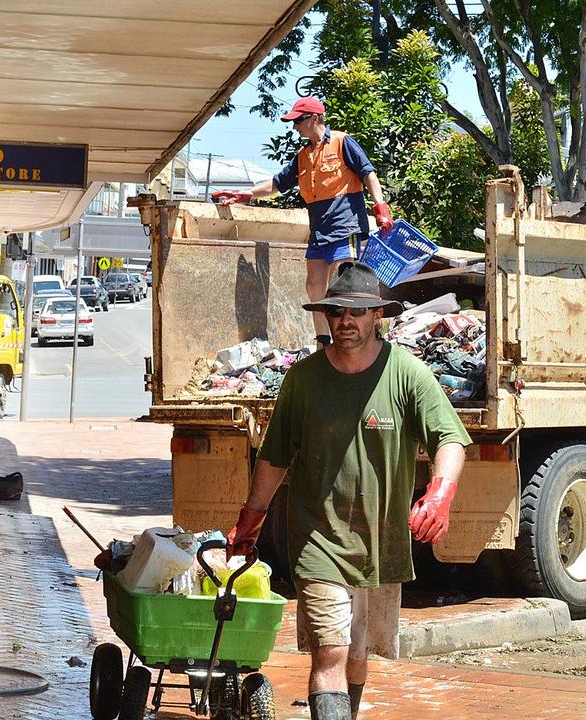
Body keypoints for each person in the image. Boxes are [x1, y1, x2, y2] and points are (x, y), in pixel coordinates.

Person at [226, 262, 470, 720]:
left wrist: (440, 492)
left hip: (381, 544)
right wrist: (251, 520)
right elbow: (274, 457)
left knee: (358, 654)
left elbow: (450, 439)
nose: (345, 321)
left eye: (356, 313)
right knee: (331, 654)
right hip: (317, 539)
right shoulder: (304, 379)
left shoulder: (407, 374)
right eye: (336, 311)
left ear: (377, 314)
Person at [211, 96, 394, 349]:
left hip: (345, 227)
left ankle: (354, 340)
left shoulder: (342, 142)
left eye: (298, 120)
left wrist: (380, 207)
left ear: (315, 118)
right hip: (319, 231)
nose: (294, 126)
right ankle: (323, 342)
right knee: (314, 286)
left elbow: (368, 173)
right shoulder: (303, 155)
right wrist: (247, 194)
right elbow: (278, 183)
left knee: (342, 286)